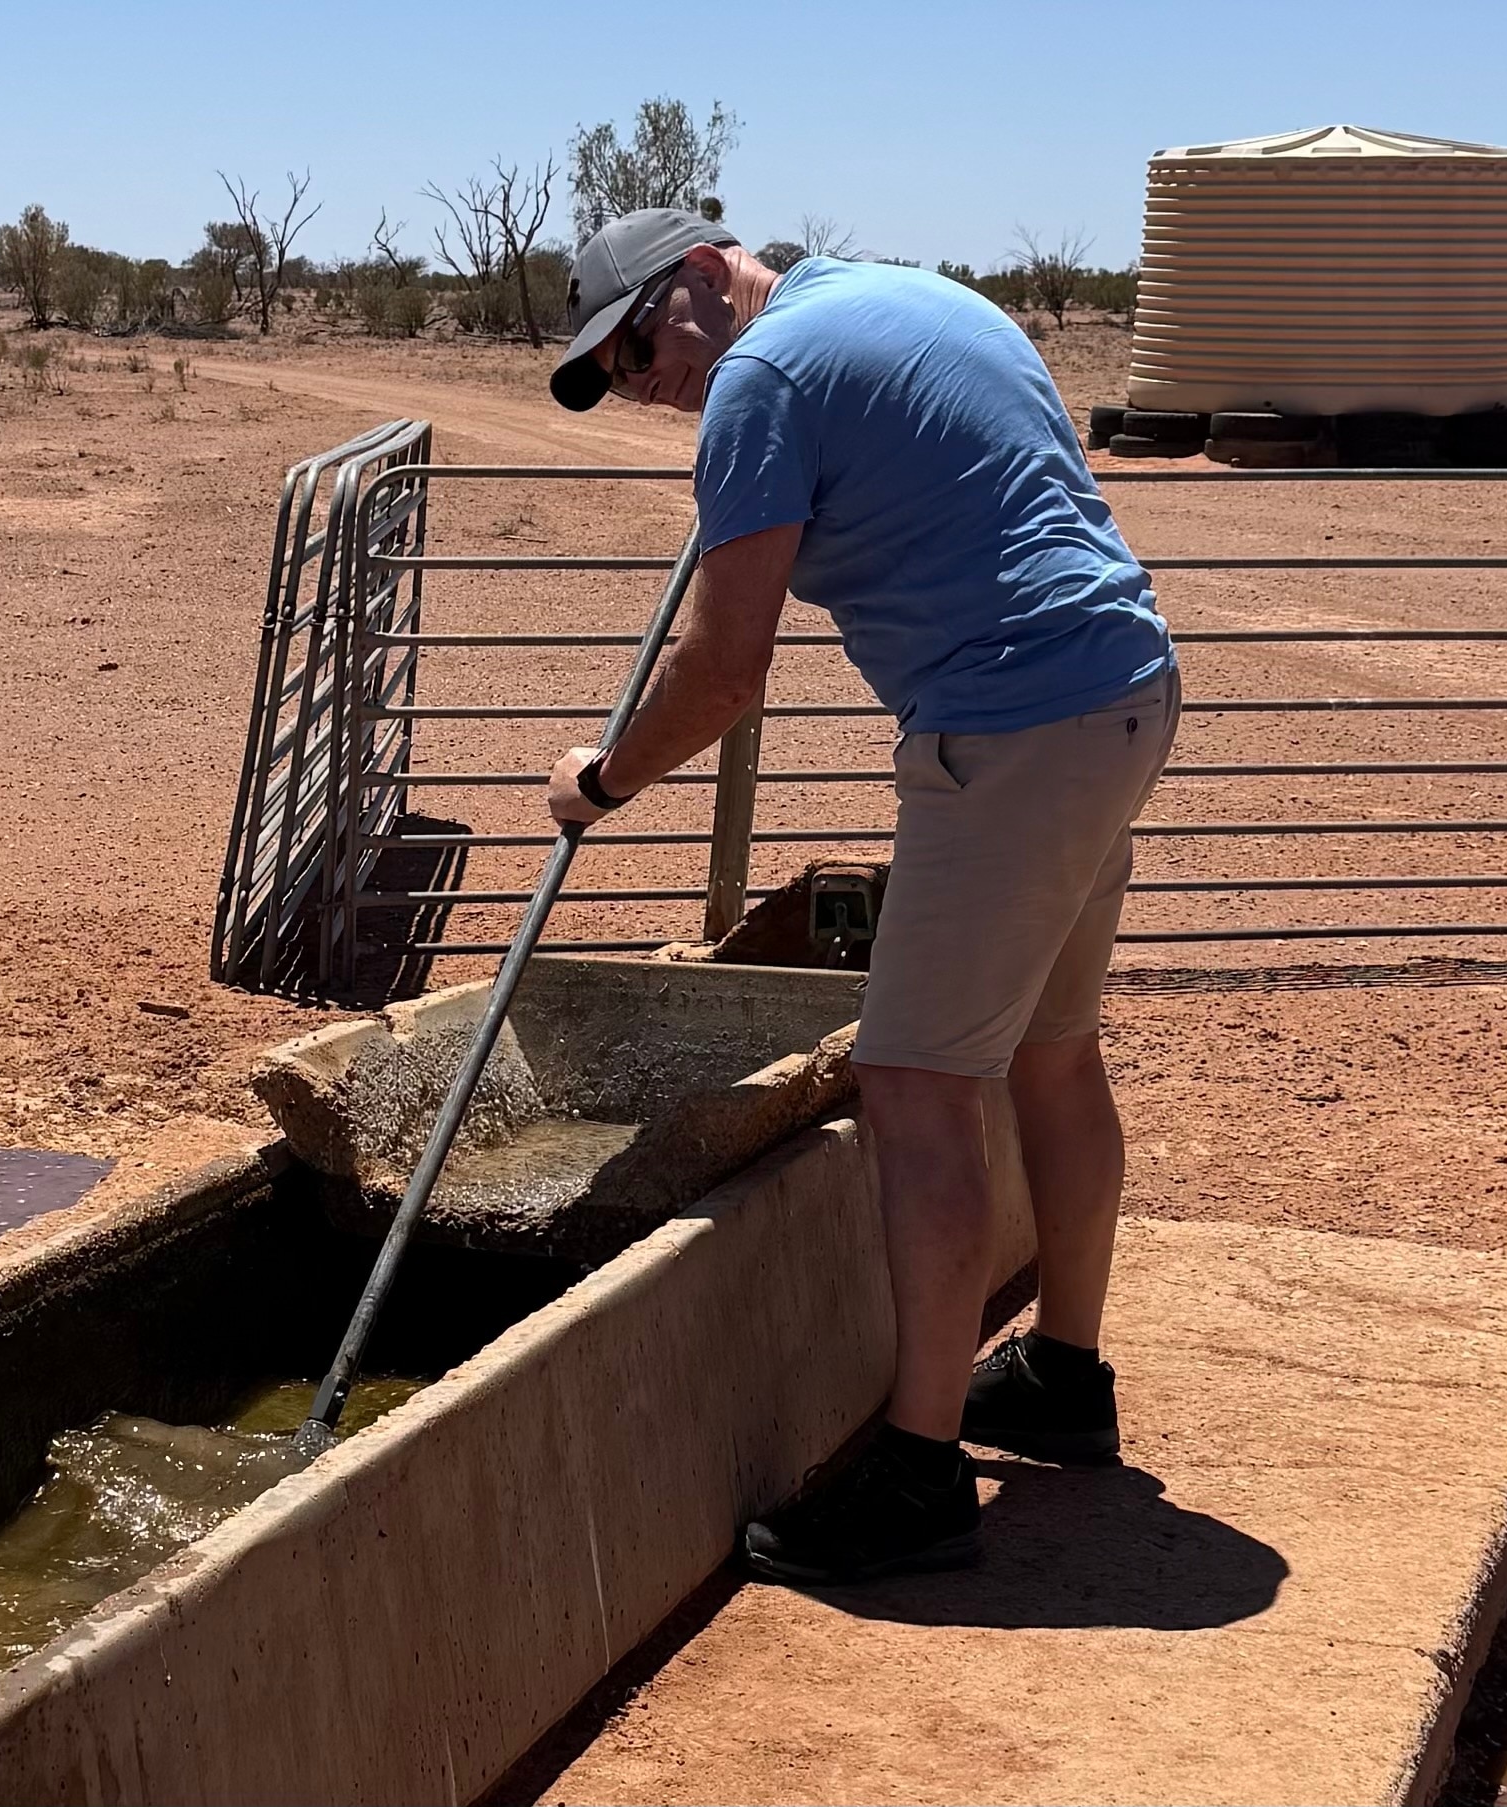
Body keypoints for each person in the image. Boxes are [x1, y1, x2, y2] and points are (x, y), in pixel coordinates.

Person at [541, 210, 1178, 1586]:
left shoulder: (764, 379)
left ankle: (918, 1469)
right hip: (1118, 689)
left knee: (911, 1084)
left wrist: (600, 782)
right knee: (1050, 1055)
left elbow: (723, 674)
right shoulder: (915, 298)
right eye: (610, 371)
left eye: (635, 347)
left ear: (700, 280)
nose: (640, 384)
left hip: (1006, 729)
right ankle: (1063, 1379)